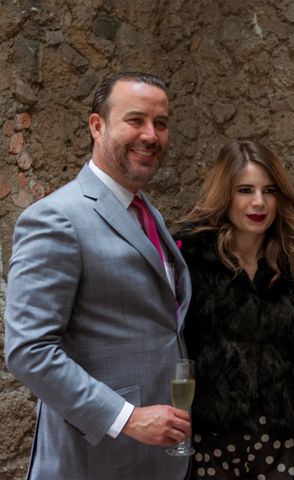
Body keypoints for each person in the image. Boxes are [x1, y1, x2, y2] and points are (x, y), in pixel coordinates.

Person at [4, 71, 193, 479]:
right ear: (97, 125)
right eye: (135, 120)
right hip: (91, 460)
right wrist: (126, 418)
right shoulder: (56, 218)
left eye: (160, 124)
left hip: (154, 459)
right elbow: (28, 351)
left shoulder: (148, 213)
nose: (151, 135)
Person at [174, 139, 294, 479]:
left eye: (268, 190)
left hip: (284, 440)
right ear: (225, 194)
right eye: (245, 190)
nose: (258, 202)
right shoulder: (189, 260)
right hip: (211, 440)